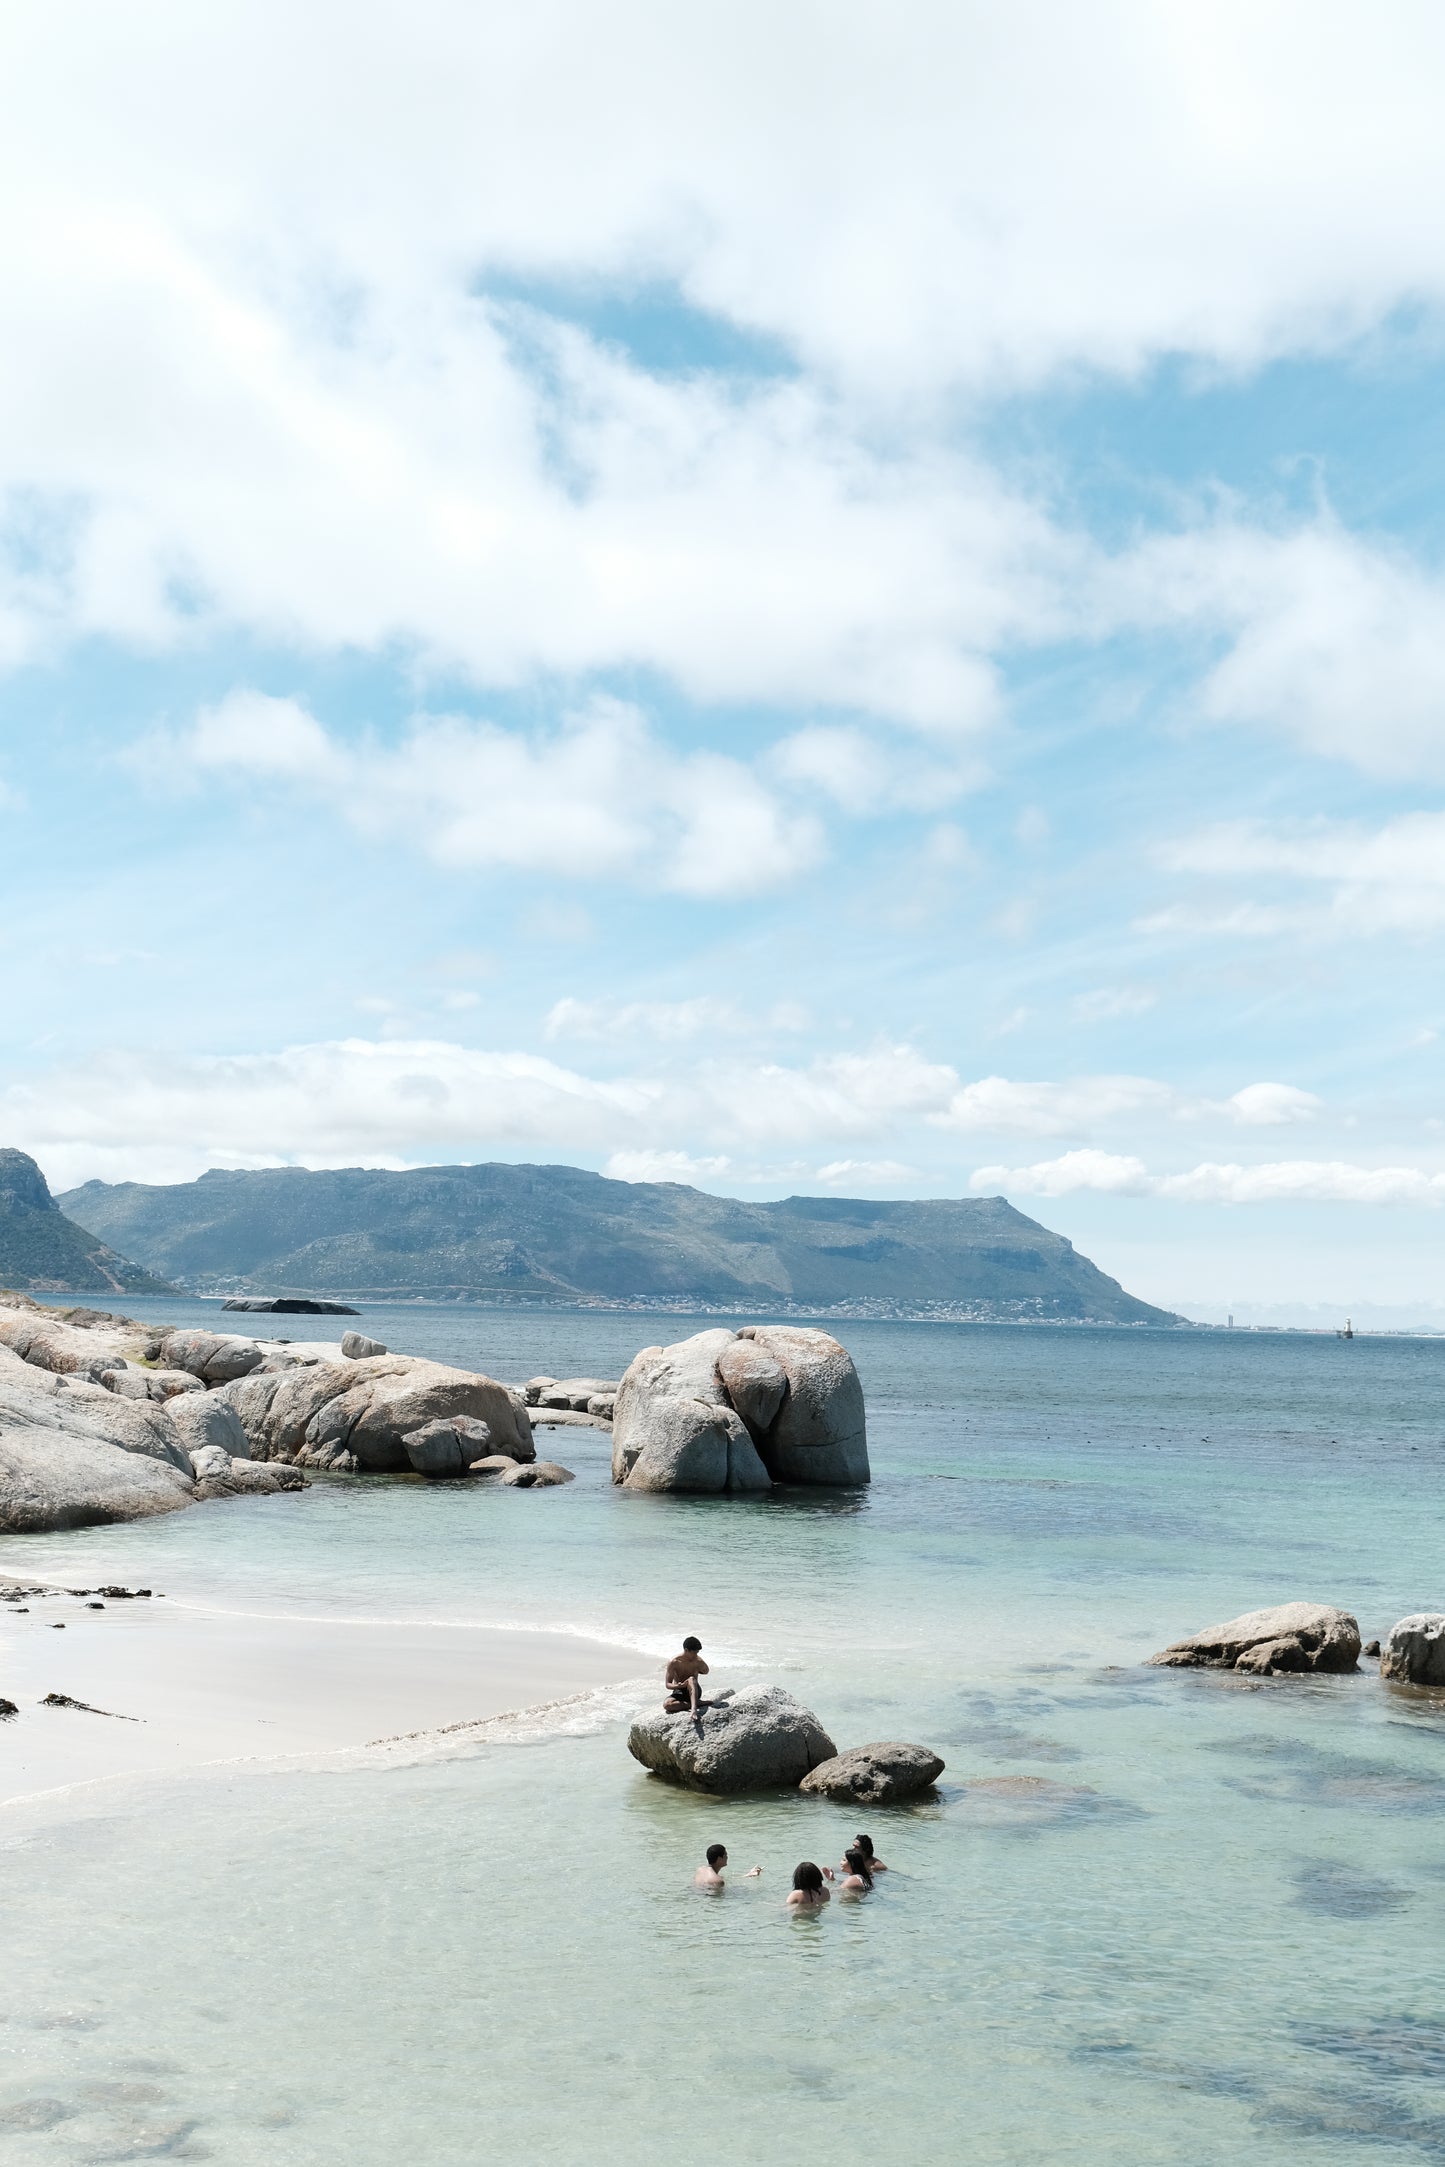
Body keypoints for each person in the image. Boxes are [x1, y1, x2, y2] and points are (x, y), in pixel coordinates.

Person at [664, 1636, 709, 1715]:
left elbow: (706, 1671)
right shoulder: (674, 1662)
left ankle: (694, 1709)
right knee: (667, 1705)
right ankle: (695, 1703)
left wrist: (698, 1665)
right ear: (686, 1650)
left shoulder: (697, 1660)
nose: (696, 1655)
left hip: (695, 1690)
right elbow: (668, 1684)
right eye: (694, 1652)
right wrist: (678, 1686)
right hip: (680, 1691)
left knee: (691, 1679)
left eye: (697, 1652)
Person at [695, 1844, 762, 1888]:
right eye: (725, 1855)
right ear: (719, 1859)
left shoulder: (701, 1869)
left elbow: (727, 1880)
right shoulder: (718, 1881)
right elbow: (716, 1900)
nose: (727, 1857)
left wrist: (748, 1875)